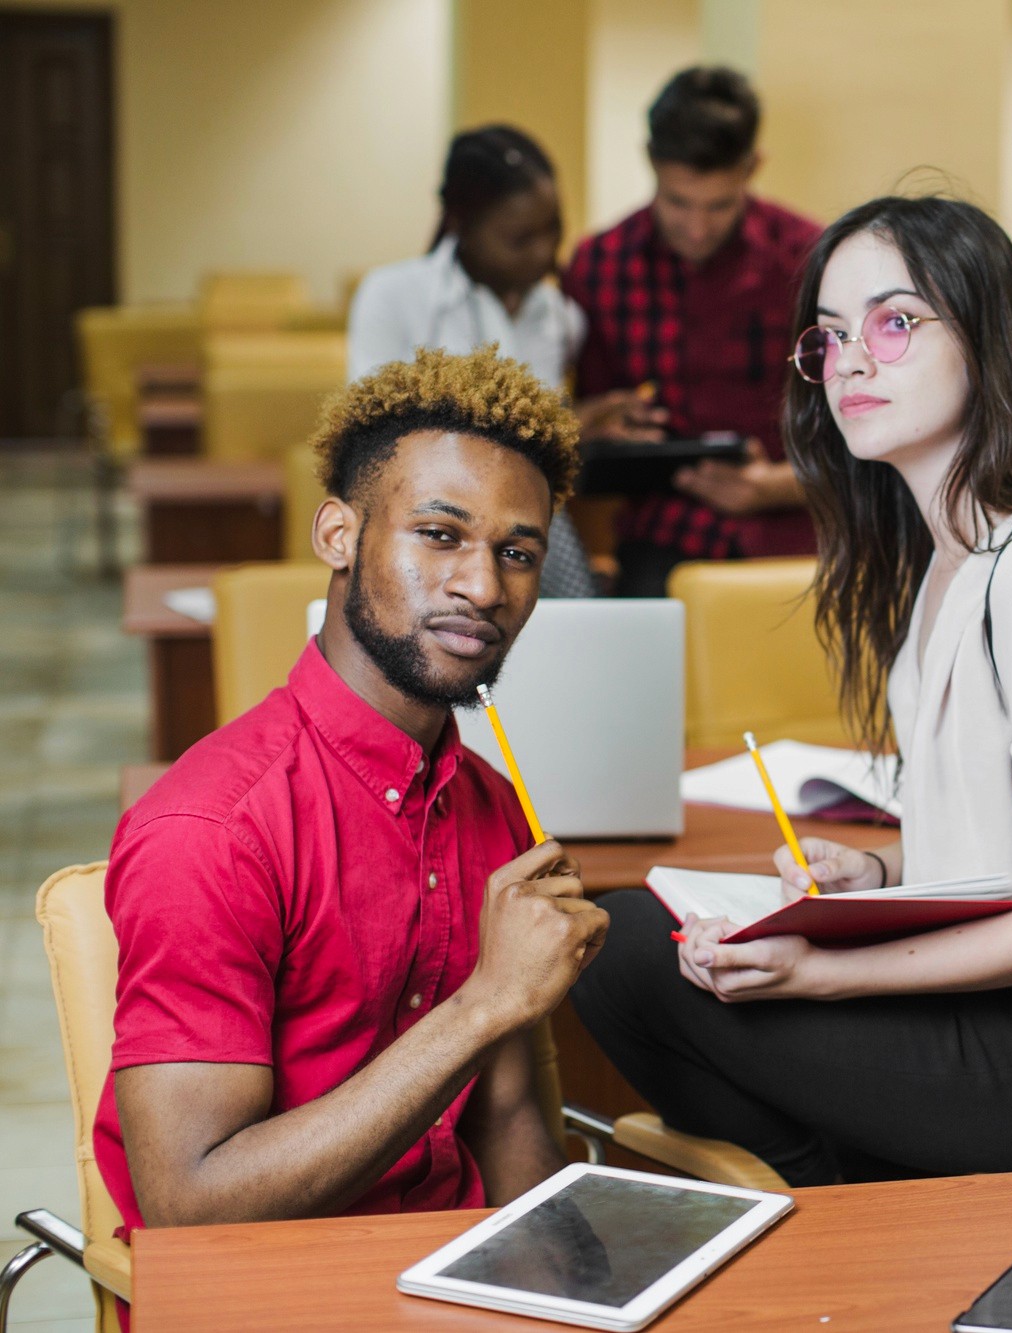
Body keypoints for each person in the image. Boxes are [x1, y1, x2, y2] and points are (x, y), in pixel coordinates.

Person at [569, 196, 1012, 1186]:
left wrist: (828, 973)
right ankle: (855, 1197)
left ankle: (847, 1205)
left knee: (624, 954)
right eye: (829, 336)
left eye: (893, 322)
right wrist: (877, 877)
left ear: (986, 338)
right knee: (638, 941)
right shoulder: (956, 558)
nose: (851, 362)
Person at [98, 348, 610, 1244]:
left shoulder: (491, 804)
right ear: (338, 535)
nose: (483, 587)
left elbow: (511, 1117)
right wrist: (486, 1002)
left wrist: (576, 1293)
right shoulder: (212, 829)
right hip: (275, 1294)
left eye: (517, 552)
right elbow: (191, 1204)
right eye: (440, 534)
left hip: (450, 1273)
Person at [563, 65, 821, 596]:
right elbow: (586, 443)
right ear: (652, 163)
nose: (697, 228)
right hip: (663, 533)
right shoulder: (600, 267)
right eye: (678, 202)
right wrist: (602, 425)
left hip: (803, 526)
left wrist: (773, 488)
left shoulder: (808, 259)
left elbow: (859, 429)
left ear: (753, 168)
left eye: (719, 205)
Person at [347, 124, 597, 598]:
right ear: (462, 223)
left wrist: (582, 426)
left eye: (553, 230)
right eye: (520, 239)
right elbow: (372, 443)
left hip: (523, 524)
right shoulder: (394, 297)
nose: (545, 253)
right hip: (421, 518)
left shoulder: (560, 316)